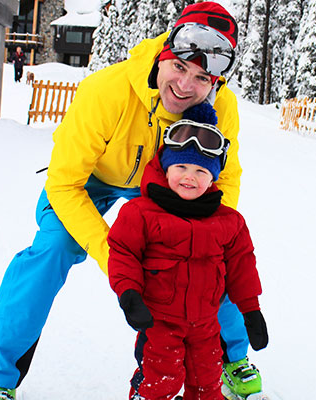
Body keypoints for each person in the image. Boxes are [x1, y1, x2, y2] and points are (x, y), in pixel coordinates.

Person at [0, 2, 264, 400]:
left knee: (212, 249)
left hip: (169, 182)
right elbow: (63, 184)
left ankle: (229, 358)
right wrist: (111, 251)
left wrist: (208, 231)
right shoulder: (105, 91)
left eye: (201, 78)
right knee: (53, 247)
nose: (185, 86)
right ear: (163, 56)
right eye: (179, 68)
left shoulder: (220, 104)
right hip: (90, 179)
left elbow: (225, 176)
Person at [108, 102, 268, 400]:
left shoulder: (228, 221)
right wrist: (129, 293)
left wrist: (251, 309)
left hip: (207, 325)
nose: (189, 177)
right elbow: (122, 252)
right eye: (181, 166)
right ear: (166, 168)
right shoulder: (141, 213)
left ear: (213, 176)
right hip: (158, 323)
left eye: (200, 170)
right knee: (159, 380)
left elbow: (242, 267)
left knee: (207, 383)